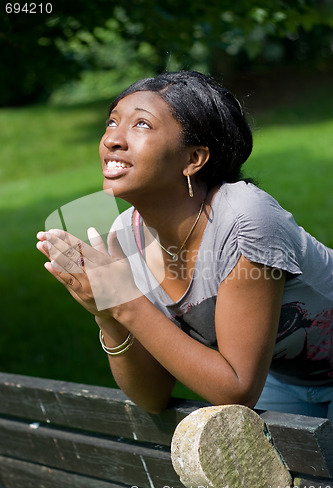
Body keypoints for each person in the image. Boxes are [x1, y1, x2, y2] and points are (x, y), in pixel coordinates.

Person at [36, 71, 333, 422]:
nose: (113, 139)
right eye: (112, 121)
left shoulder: (244, 220)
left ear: (194, 158)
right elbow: (153, 397)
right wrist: (107, 313)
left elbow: (236, 389)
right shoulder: (124, 237)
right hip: (285, 380)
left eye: (141, 124)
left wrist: (125, 300)